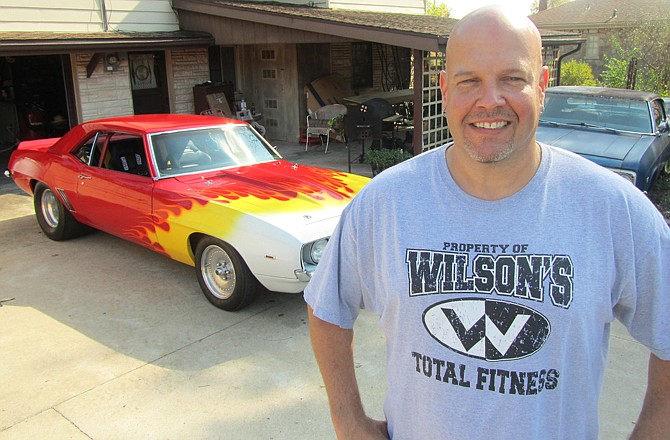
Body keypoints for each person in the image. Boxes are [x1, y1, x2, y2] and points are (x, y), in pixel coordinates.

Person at [304, 5, 670, 440]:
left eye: (512, 79)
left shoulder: (615, 211)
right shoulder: (384, 204)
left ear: (542, 87)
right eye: (469, 80)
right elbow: (326, 308)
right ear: (444, 89)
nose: (489, 100)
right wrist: (348, 422)